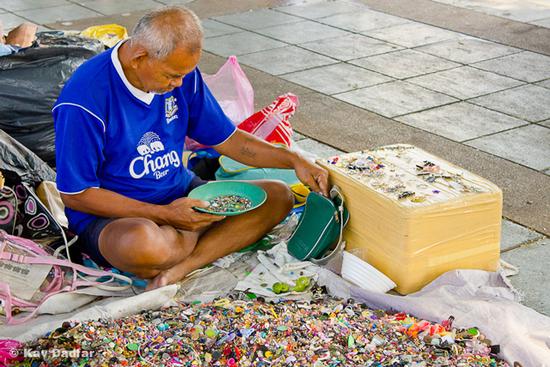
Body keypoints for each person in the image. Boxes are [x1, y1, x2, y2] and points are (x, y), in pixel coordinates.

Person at [53, 6, 329, 290]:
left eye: (184, 74)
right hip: (117, 217)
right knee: (145, 245)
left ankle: (181, 266)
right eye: (172, 76)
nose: (179, 84)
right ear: (139, 58)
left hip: (183, 194)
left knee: (278, 196)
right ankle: (197, 237)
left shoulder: (181, 77)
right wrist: (167, 216)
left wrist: (294, 159)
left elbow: (229, 139)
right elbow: (77, 194)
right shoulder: (84, 100)